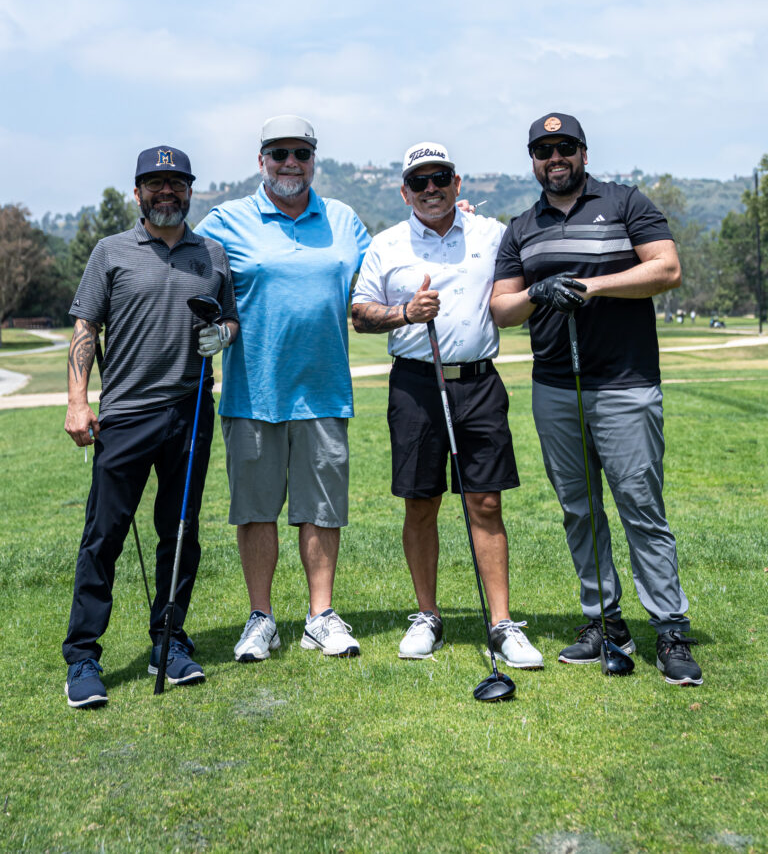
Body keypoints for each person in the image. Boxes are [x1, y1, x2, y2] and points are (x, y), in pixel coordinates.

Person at [491, 112, 703, 686]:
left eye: (564, 148)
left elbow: (667, 268)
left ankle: (670, 630)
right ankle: (605, 623)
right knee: (579, 510)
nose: (554, 158)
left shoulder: (626, 202)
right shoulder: (521, 227)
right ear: (533, 160)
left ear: (583, 152)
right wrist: (538, 291)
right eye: (543, 150)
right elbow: (502, 309)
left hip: (626, 383)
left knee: (640, 507)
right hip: (556, 387)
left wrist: (591, 286)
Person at [350, 142, 543, 669]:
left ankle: (502, 624)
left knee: (486, 502)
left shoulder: (493, 234)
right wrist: (405, 312)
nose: (430, 189)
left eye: (440, 179)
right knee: (421, 502)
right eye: (420, 182)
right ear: (405, 191)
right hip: (415, 385)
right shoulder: (387, 244)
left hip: (478, 383)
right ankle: (427, 615)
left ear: (458, 183)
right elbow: (360, 314)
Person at [63, 145, 239, 708]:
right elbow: (86, 327)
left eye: (177, 183)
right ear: (137, 192)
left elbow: (230, 319)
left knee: (180, 534)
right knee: (103, 538)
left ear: (190, 190)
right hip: (127, 414)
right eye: (155, 184)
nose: (167, 192)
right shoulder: (111, 251)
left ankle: (170, 641)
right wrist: (76, 401)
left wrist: (225, 337)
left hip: (190, 414)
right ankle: (84, 656)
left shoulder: (211, 253)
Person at [195, 115, 370, 660]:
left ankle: (321, 615)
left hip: (324, 391)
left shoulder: (343, 220)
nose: (290, 163)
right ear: (261, 160)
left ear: (314, 159)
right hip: (254, 395)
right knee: (256, 510)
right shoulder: (227, 220)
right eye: (279, 154)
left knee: (321, 509)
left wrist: (445, 222)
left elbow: (387, 273)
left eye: (300, 153)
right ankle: (261, 618)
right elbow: (185, 266)